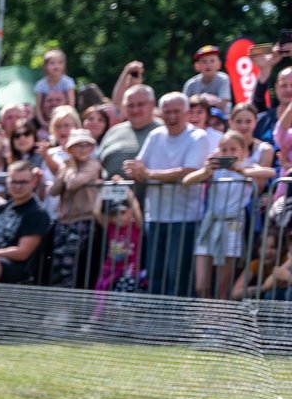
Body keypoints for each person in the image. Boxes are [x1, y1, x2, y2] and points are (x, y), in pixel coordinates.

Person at [124, 92, 213, 297]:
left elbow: (189, 172)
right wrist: (133, 170)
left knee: (177, 277)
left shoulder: (198, 137)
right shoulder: (155, 135)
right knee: (156, 275)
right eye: (167, 112)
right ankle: (156, 324)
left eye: (176, 112)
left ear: (187, 113)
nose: (171, 116)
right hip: (155, 216)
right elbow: (140, 167)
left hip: (185, 218)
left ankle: (178, 324)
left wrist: (147, 174)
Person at [185, 130, 272, 299]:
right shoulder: (213, 169)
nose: (229, 153)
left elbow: (271, 173)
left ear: (243, 151)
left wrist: (243, 172)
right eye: (224, 150)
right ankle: (205, 322)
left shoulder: (248, 167)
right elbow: (186, 181)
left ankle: (221, 323)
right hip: (210, 224)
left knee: (222, 288)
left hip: (233, 226)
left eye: (233, 149)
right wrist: (205, 171)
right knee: (201, 285)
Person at [48, 129, 103, 289]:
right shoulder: (67, 166)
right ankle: (57, 305)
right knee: (57, 262)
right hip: (64, 220)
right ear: (69, 149)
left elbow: (73, 185)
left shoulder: (93, 164)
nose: (83, 149)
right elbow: (53, 191)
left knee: (70, 264)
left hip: (83, 220)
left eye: (87, 145)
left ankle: (69, 304)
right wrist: (64, 170)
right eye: (79, 145)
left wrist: (70, 169)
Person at [100, 84, 161, 179]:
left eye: (140, 104)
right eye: (130, 105)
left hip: (152, 193)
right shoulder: (113, 132)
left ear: (152, 104)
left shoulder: (164, 131)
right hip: (110, 192)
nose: (135, 110)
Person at [34, 48, 76, 126]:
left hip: (64, 116)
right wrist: (43, 123)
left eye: (60, 63)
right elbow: (38, 107)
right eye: (52, 63)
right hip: (46, 118)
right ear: (45, 66)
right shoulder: (40, 85)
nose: (56, 66)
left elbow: (71, 104)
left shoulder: (68, 82)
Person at [182, 45, 232, 110]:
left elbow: (223, 103)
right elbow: (184, 106)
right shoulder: (191, 84)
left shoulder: (223, 79)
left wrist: (204, 100)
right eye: (204, 62)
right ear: (197, 66)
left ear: (219, 65)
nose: (208, 65)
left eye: (212, 61)